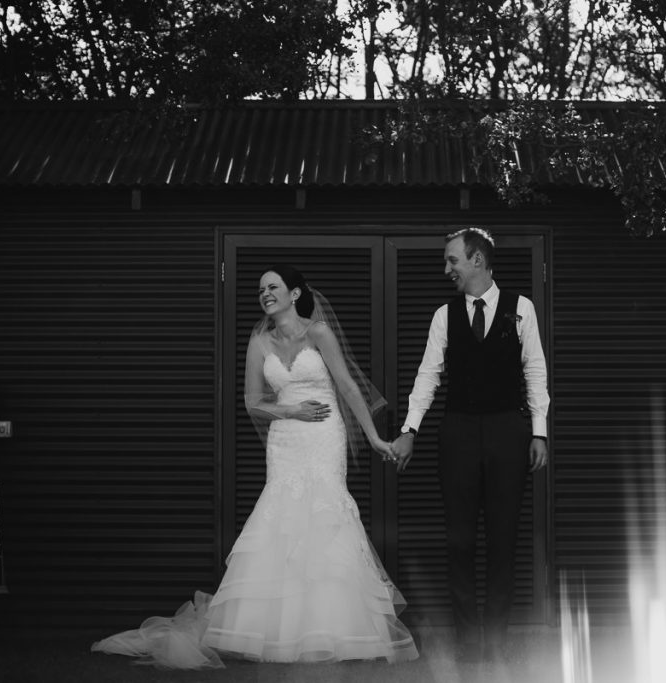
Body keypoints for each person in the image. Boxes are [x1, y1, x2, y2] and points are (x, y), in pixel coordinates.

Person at [92, 264, 418, 668]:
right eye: (261, 288)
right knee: (280, 519)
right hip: (285, 437)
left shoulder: (317, 332)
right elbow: (252, 401)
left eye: (273, 286)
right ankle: (276, 632)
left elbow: (348, 385)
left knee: (325, 515)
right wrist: (291, 409)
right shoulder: (260, 343)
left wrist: (372, 437)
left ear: (294, 294)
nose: (265, 293)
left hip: (322, 435)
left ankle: (332, 630)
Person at [390, 227, 549, 663]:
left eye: (452, 260)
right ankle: (467, 644)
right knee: (458, 541)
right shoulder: (444, 315)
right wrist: (410, 429)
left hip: (507, 431)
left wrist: (539, 432)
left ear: (477, 260)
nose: (447, 269)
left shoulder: (521, 309)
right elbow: (427, 375)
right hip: (457, 432)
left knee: (503, 539)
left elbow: (535, 370)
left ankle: (495, 641)